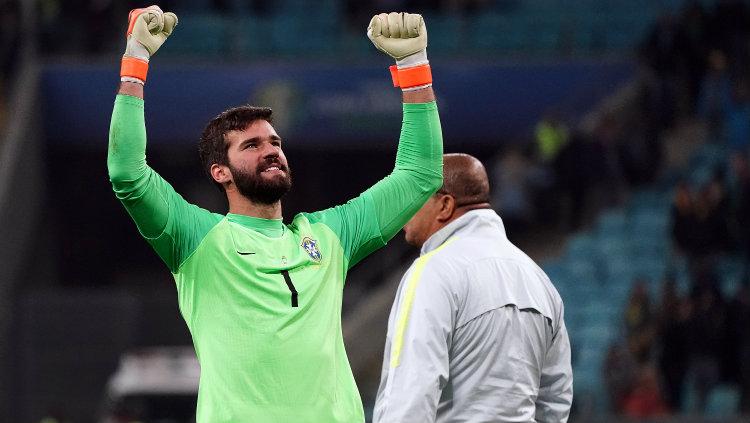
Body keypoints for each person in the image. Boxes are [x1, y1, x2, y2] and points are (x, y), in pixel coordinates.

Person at [107, 6, 443, 422]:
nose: (271, 150)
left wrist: (413, 66)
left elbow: (420, 176)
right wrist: (135, 61)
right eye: (251, 146)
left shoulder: (330, 235)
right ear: (220, 172)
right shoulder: (196, 239)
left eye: (275, 142)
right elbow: (127, 173)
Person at [374, 153, 573, 423]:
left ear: (444, 205)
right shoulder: (538, 279)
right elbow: (556, 398)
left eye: (414, 197)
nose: (402, 210)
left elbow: (411, 389)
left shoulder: (433, 272)